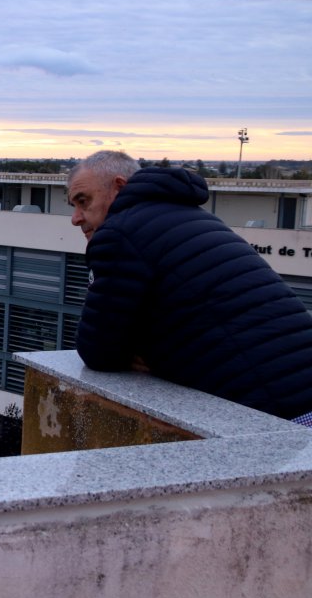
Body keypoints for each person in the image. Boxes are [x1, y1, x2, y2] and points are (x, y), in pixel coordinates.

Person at [68, 149, 312, 421]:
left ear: (118, 187)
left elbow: (97, 350)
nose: (76, 218)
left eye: (83, 201)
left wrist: (128, 351)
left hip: (282, 413)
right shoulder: (196, 218)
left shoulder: (119, 233)